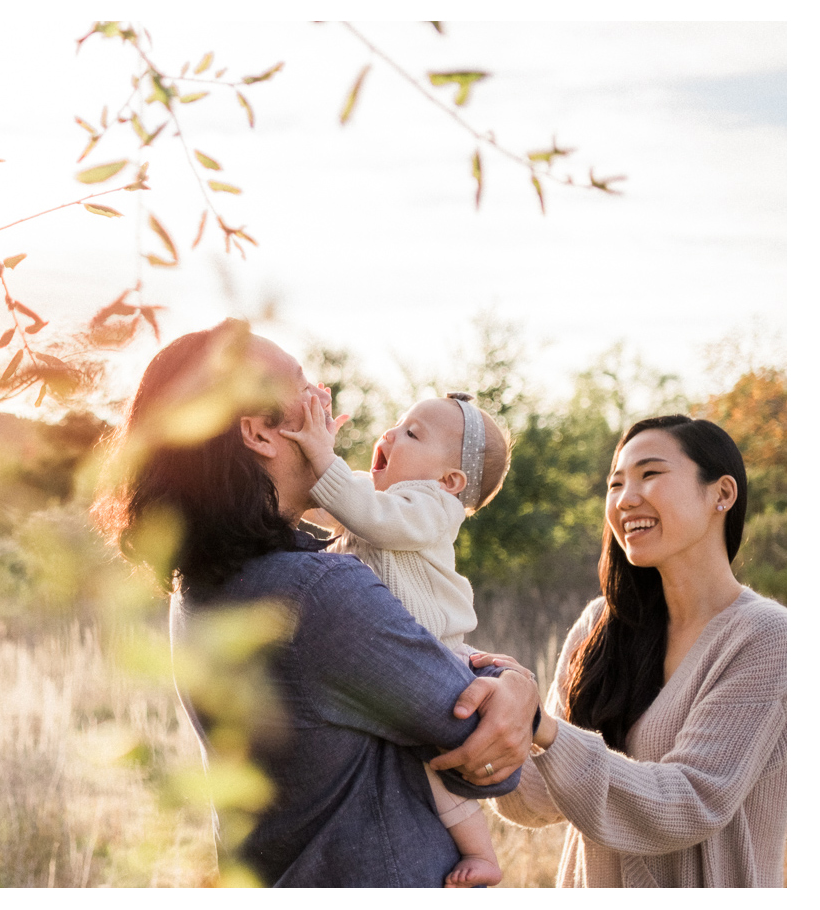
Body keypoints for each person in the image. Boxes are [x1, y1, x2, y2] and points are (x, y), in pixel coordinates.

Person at [91, 319, 543, 886]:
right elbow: (486, 758)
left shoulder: (206, 584)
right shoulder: (316, 595)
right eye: (303, 385)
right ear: (259, 434)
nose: (322, 396)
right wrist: (515, 686)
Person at [482, 415, 786, 887]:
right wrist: (473, 717)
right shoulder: (600, 626)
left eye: (650, 474)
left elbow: (690, 803)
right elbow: (539, 800)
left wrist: (542, 728)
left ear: (722, 494)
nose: (625, 499)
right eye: (615, 483)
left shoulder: (767, 639)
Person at [278, 390, 511, 887]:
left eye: (412, 433)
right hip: (396, 655)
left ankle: (482, 854)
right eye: (397, 423)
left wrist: (323, 457)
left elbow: (370, 515)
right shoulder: (373, 496)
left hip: (441, 650)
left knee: (436, 763)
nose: (390, 434)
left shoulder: (433, 507)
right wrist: (306, 452)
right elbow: (324, 499)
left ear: (450, 482)